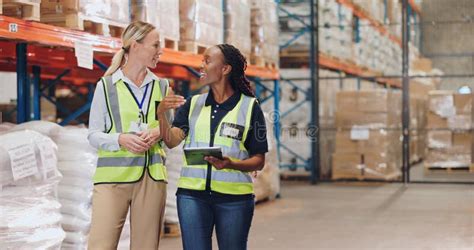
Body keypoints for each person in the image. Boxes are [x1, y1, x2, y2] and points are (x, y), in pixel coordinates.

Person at [157, 44, 268, 250]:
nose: (202, 66)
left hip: (234, 199)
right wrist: (161, 114)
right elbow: (171, 141)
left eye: (207, 61)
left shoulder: (249, 107)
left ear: (225, 69)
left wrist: (230, 164)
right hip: (192, 196)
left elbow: (259, 160)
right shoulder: (193, 104)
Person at [87, 21, 170, 249]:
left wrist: (158, 132)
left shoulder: (162, 86)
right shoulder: (106, 86)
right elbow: (93, 134)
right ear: (135, 46)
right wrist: (120, 139)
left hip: (151, 178)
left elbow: (170, 133)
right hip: (113, 179)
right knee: (100, 245)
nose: (160, 51)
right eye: (155, 45)